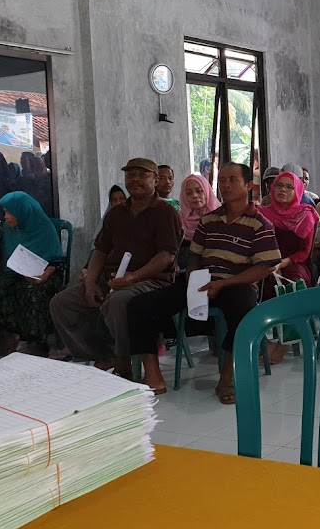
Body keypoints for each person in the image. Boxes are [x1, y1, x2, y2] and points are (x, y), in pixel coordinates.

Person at [127, 162, 281, 400]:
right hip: (201, 282)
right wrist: (193, 279)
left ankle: (227, 378)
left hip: (236, 284)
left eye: (233, 180)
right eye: (222, 180)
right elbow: (195, 257)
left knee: (243, 312)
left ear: (249, 185)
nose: (226, 185)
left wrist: (222, 284)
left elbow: (262, 269)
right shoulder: (208, 221)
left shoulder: (261, 224)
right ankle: (153, 373)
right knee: (140, 305)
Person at [49, 158, 182, 380]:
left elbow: (167, 256)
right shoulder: (116, 213)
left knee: (118, 301)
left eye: (142, 175)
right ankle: (103, 354)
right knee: (61, 303)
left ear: (156, 180)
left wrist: (132, 278)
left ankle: (124, 361)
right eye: (130, 175)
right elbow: (100, 251)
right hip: (111, 278)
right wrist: (90, 283)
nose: (135, 180)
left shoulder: (165, 212)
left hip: (151, 280)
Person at [0, 191, 64, 354]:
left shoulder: (44, 227)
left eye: (9, 212)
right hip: (16, 273)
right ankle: (14, 333)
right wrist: (21, 272)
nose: (5, 217)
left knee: (33, 292)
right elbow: (11, 258)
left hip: (46, 274)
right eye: (5, 212)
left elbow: (57, 260)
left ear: (23, 211)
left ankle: (37, 341)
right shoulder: (9, 229)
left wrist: (44, 276)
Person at [258, 172, 319, 286]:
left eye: (289, 187)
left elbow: (304, 252)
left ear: (298, 191)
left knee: (293, 282)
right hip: (263, 262)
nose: (283, 189)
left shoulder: (305, 215)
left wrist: (280, 265)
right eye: (279, 185)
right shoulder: (262, 213)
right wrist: (270, 265)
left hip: (294, 263)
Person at [178, 172, 220, 268]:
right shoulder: (179, 219)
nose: (195, 196)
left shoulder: (220, 216)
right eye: (188, 193)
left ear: (207, 191)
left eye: (199, 191)